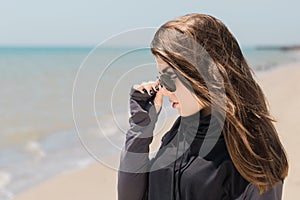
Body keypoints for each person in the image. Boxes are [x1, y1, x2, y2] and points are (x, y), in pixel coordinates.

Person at [118, 13, 288, 200]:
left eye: (169, 76)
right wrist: (141, 127)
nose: (164, 89)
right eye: (160, 77)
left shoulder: (253, 151)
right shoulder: (179, 133)